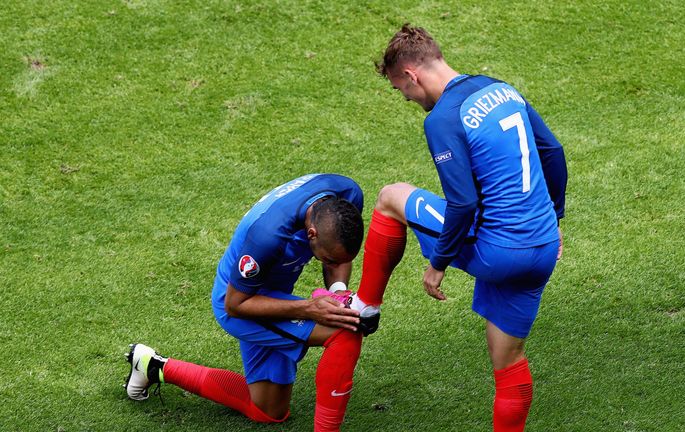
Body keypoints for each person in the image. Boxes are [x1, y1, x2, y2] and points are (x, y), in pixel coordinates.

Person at [352, 25, 568, 431]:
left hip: (498, 252)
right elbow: (553, 151)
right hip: (540, 251)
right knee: (508, 362)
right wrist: (554, 220)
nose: (409, 99)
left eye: (403, 90)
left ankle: (366, 305)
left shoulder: (442, 119)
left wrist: (439, 263)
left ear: (411, 75)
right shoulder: (501, 88)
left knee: (391, 196)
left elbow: (463, 203)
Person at [124, 173, 374, 432]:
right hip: (240, 302)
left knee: (268, 411)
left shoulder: (345, 198)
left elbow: (341, 254)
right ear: (311, 233)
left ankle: (150, 365)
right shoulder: (269, 235)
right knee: (344, 332)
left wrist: (337, 291)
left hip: (274, 293)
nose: (334, 265)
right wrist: (309, 309)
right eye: (329, 260)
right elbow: (235, 305)